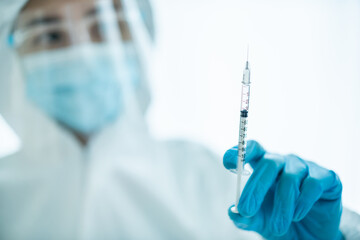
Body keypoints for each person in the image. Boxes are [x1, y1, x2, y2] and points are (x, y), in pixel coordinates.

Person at [0, 0, 359, 239]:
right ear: (9, 53)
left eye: (104, 28)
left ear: (138, 38)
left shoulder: (205, 178)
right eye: (49, 35)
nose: (82, 53)